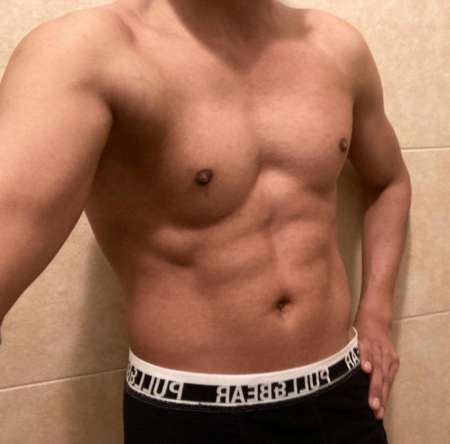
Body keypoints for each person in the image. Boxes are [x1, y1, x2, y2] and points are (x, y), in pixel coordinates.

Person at [0, 0, 411, 442]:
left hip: (341, 394)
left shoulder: (338, 47)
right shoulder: (90, 52)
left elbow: (389, 182)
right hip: (193, 414)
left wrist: (376, 314)